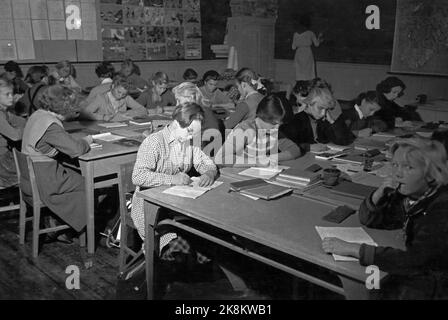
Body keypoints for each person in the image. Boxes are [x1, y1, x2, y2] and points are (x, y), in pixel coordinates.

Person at [322, 138, 448, 299]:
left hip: (436, 285)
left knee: (369, 285)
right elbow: (370, 220)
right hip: (420, 274)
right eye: (395, 165)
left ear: (431, 174)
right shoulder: (411, 195)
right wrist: (379, 193)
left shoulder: (442, 206)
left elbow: (416, 260)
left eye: (408, 167)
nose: (397, 173)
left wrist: (356, 249)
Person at [130, 102, 217, 264]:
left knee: (203, 237)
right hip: (148, 207)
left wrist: (210, 172)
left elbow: (204, 162)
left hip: (176, 203)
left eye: (195, 133)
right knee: (178, 246)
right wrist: (172, 179)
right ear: (176, 123)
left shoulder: (189, 140)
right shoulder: (154, 142)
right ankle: (158, 264)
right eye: (190, 131)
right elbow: (138, 176)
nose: (192, 137)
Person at [21, 85, 93, 237]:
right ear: (65, 106)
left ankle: (61, 220)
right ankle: (67, 226)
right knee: (90, 184)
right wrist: (87, 141)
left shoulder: (38, 115)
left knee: (76, 175)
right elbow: (76, 150)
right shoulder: (51, 125)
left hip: (31, 177)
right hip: (45, 179)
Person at [216, 94, 301, 166]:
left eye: (280, 125)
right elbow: (220, 158)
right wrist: (256, 161)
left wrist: (269, 158)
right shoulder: (244, 130)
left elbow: (295, 150)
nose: (277, 128)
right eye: (274, 124)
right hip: (236, 175)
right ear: (262, 116)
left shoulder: (272, 131)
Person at [282, 78, 355, 153]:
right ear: (309, 104)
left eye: (326, 109)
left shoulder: (323, 120)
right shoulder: (296, 120)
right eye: (320, 108)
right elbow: (284, 146)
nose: (324, 113)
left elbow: (344, 141)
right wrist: (308, 147)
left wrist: (332, 121)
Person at [172, 82, 223, 151]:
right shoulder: (196, 110)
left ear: (190, 98)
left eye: (178, 100)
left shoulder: (199, 113)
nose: (177, 104)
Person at [82, 75, 147, 121]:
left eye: (124, 94)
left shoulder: (126, 98)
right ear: (113, 86)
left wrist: (126, 113)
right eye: (119, 92)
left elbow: (143, 110)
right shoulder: (100, 98)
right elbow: (85, 114)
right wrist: (105, 117)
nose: (120, 96)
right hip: (103, 128)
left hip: (122, 127)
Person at [0, 78, 26, 188]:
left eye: (12, 93)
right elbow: (15, 136)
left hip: (4, 159)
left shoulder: (4, 111)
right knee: (37, 171)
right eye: (7, 94)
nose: (11, 97)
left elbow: (22, 121)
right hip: (2, 163)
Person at [292, 15, 323, 82]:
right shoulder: (310, 33)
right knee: (308, 74)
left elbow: (293, 47)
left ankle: (300, 86)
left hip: (299, 53)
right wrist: (320, 38)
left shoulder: (296, 34)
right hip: (307, 53)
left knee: (299, 73)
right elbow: (316, 44)